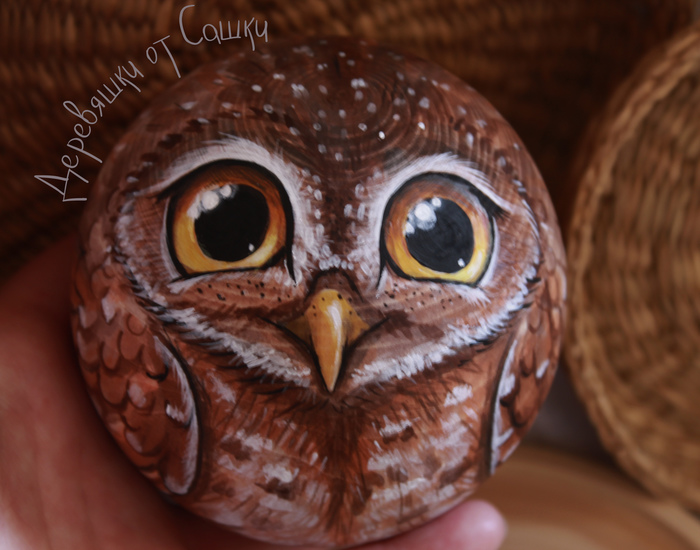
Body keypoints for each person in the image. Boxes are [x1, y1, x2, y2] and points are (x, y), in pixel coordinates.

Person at [0, 237, 506, 550]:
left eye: (435, 241)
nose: (332, 314)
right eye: (231, 229)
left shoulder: (497, 359)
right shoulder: (150, 351)